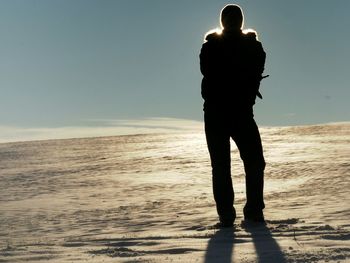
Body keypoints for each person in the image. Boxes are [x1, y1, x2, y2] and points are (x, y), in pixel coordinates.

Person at [200, 4, 266, 227]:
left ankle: (253, 211)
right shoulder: (211, 47)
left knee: (254, 162)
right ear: (223, 21)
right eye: (228, 19)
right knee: (222, 165)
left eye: (234, 18)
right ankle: (228, 215)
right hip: (219, 113)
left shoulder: (251, 46)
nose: (231, 22)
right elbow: (210, 70)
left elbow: (257, 62)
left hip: (239, 113)